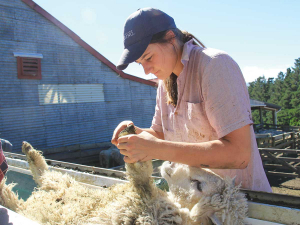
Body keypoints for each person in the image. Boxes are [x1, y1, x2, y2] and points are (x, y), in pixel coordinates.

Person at [112, 8, 272, 192]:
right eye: (140, 63)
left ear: (171, 38)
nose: (146, 70)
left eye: (148, 57)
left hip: (243, 206)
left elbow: (239, 155)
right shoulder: (165, 83)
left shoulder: (214, 65)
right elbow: (160, 134)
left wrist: (156, 149)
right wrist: (134, 134)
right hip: (198, 204)